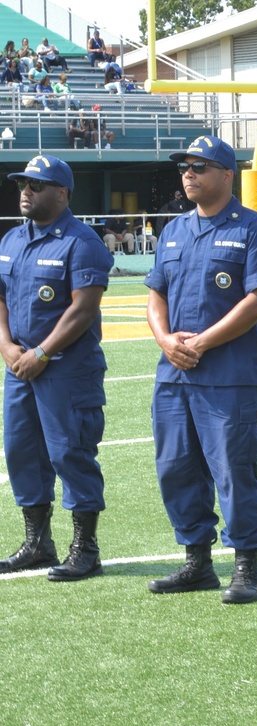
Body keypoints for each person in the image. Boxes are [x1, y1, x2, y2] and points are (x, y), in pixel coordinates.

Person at [144, 136, 257, 605]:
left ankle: (246, 566)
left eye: (200, 167)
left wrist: (200, 342)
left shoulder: (255, 229)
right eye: (185, 167)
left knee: (233, 470)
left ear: (227, 175)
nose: (189, 174)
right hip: (175, 374)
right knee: (175, 467)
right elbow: (155, 294)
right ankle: (196, 561)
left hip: (230, 374)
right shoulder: (175, 231)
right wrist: (165, 340)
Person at [0, 155, 115, 581]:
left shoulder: (82, 241)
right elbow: (0, 300)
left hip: (66, 368)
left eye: (37, 185)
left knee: (70, 453)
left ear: (62, 193)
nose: (25, 192)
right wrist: (7, 347)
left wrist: (42, 353)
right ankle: (37, 544)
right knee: (21, 452)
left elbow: (83, 309)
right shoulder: (11, 240)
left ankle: (86, 548)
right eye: (23, 184)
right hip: (19, 368)